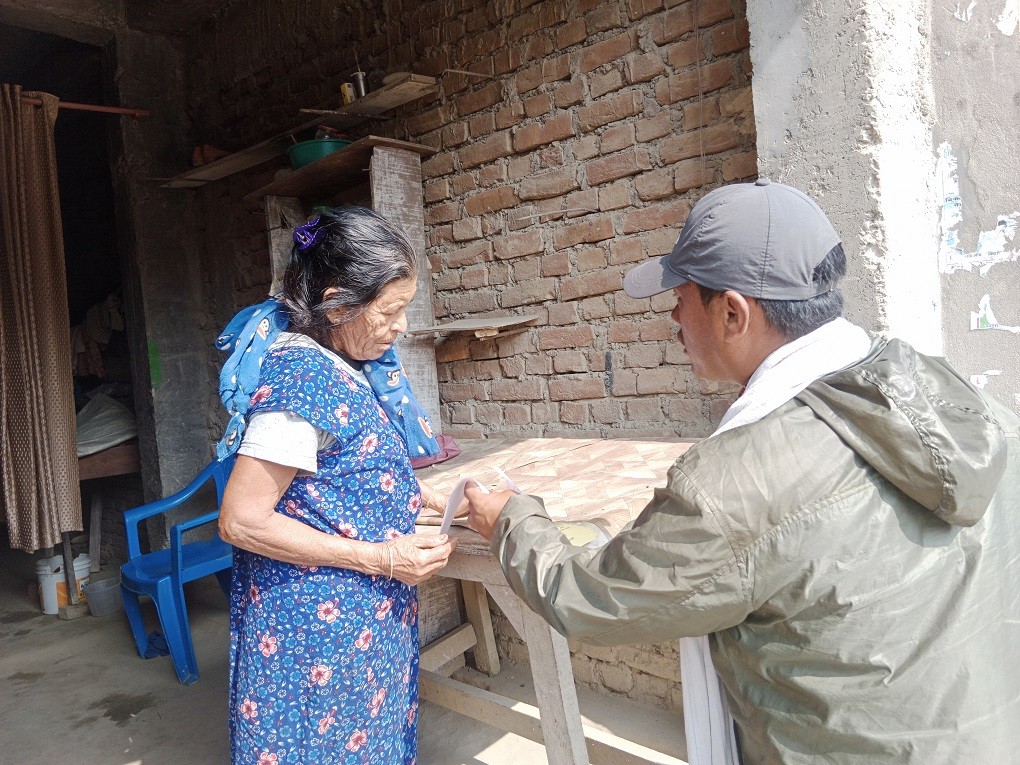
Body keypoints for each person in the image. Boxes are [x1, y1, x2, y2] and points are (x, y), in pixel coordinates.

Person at [466, 179, 1020, 764]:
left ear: (732, 313)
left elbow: (589, 598)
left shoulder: (733, 484)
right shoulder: (973, 410)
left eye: (680, 297)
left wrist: (511, 520)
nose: (672, 317)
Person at [217, 206, 456, 765]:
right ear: (337, 304)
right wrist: (381, 558)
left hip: (357, 627)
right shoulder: (302, 383)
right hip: (315, 638)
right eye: (390, 310)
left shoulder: (343, 364)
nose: (402, 326)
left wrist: (423, 497)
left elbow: (343, 473)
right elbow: (242, 520)